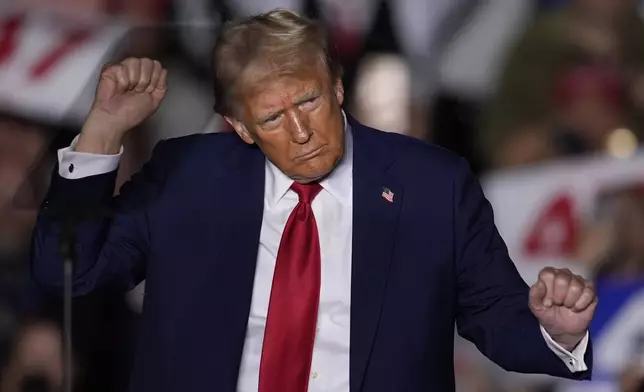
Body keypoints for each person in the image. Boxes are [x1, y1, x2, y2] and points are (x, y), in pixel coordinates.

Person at [31, 9, 597, 392]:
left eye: (309, 99)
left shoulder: (431, 184)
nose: (301, 130)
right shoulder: (188, 176)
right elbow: (72, 272)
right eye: (273, 117)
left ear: (338, 86)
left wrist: (559, 333)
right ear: (240, 125)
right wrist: (103, 131)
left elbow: (495, 316)